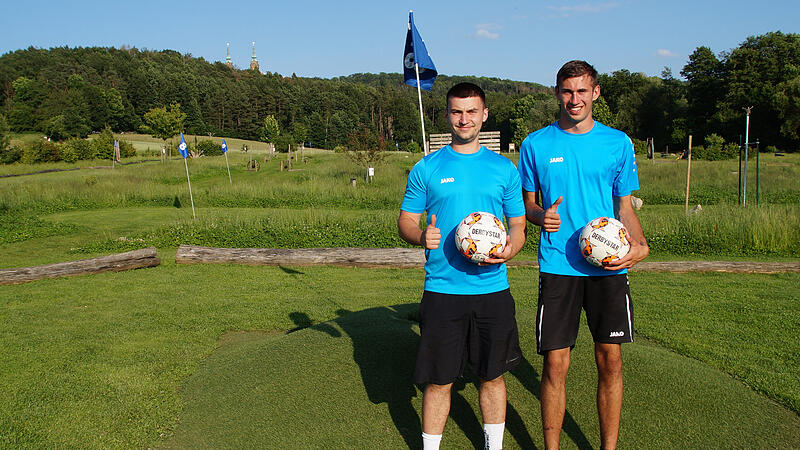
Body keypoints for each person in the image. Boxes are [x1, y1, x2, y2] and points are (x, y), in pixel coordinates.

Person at [517, 60, 649, 450]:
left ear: (595, 93)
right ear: (557, 93)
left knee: (610, 359)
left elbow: (624, 207)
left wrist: (640, 244)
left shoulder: (617, 142)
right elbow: (528, 205)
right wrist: (543, 216)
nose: (574, 99)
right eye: (567, 91)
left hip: (607, 266)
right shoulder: (535, 144)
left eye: (581, 91)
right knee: (556, 363)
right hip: (559, 265)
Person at [398, 82, 527, 450]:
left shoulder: (504, 169)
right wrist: (420, 235)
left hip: (492, 290)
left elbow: (517, 225)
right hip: (443, 289)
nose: (464, 119)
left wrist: (512, 248)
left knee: (492, 376)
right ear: (447, 115)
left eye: (472, 111)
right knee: (439, 380)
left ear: (484, 115)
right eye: (457, 111)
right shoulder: (428, 167)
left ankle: (493, 446)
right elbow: (406, 220)